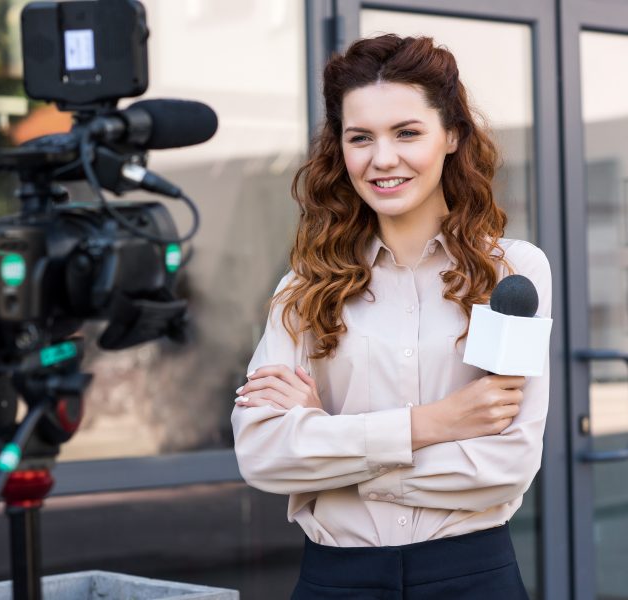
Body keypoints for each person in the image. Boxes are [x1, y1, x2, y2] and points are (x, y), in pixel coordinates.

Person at [231, 34, 551, 600]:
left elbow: (507, 464)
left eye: (407, 133)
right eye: (361, 138)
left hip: (473, 576)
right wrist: (437, 423)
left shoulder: (511, 275)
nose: (383, 159)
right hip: (335, 580)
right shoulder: (304, 289)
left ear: (451, 135)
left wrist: (332, 448)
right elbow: (262, 456)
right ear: (342, 150)